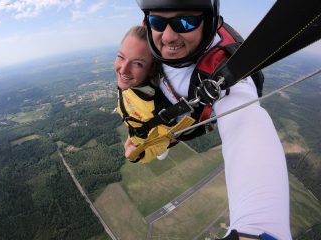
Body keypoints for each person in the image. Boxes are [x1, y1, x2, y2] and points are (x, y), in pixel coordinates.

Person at [128, 0, 291, 239]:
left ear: (208, 21)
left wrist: (258, 229)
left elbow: (245, 122)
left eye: (185, 21)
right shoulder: (149, 44)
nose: (169, 36)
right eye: (158, 21)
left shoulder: (225, 70)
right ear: (147, 22)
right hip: (167, 111)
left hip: (190, 119)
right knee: (162, 137)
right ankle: (164, 145)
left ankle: (165, 145)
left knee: (168, 139)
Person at [115, 26, 194, 163]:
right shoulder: (130, 83)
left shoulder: (162, 108)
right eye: (121, 57)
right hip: (137, 130)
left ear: (151, 69)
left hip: (156, 138)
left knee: (161, 154)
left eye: (137, 64)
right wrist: (131, 135)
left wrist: (138, 155)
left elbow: (160, 143)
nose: (123, 69)